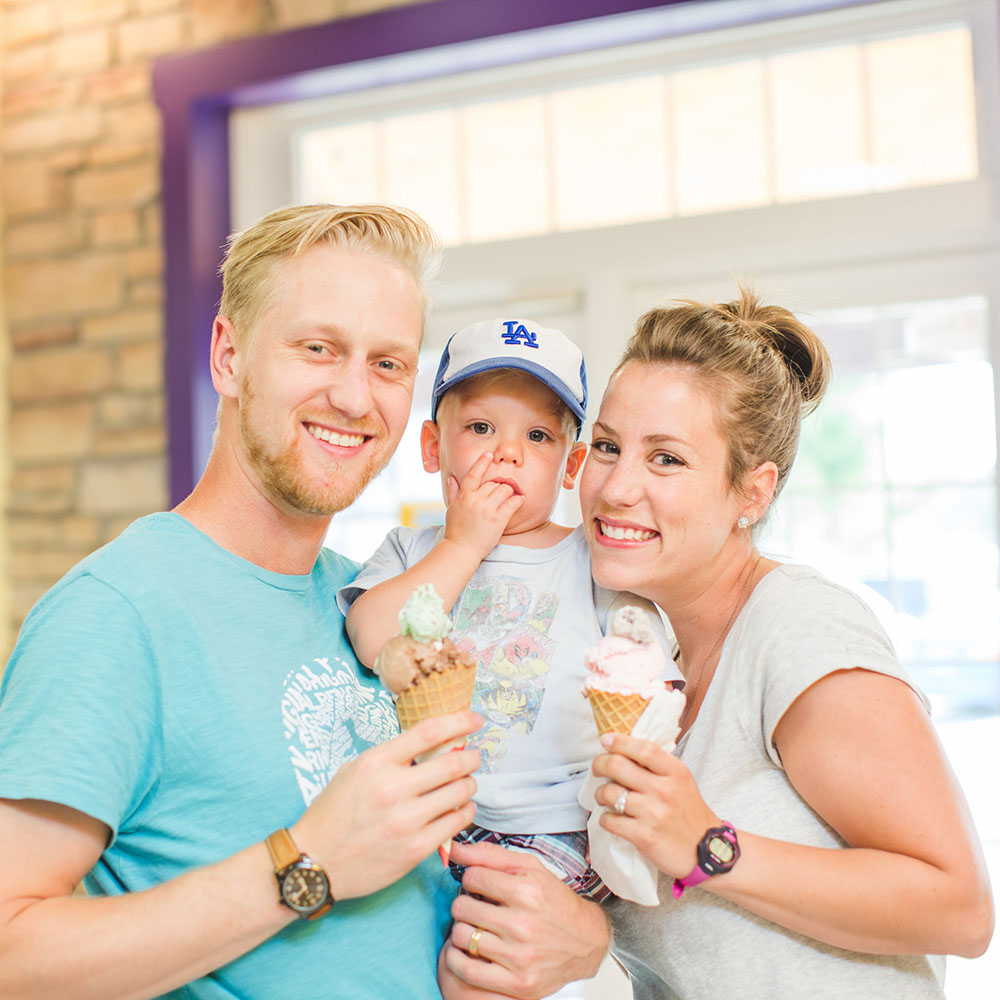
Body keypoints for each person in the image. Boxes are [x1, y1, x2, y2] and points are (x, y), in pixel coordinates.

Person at [0, 203, 486, 1000]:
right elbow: (10, 956)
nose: (357, 398)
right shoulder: (115, 614)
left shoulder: (363, 600)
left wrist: (564, 934)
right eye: (318, 348)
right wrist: (308, 863)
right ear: (229, 357)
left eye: (389, 364)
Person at [575, 287, 995, 997]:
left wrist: (707, 847)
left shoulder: (796, 624)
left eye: (667, 459)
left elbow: (960, 908)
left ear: (753, 492)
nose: (616, 487)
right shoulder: (654, 666)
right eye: (608, 447)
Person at [340, 317, 682, 902]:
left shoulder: (591, 560)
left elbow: (653, 683)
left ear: (572, 467)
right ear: (432, 447)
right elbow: (372, 639)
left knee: (483, 960)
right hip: (431, 818)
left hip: (556, 825)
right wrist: (462, 544)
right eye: (480, 427)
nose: (507, 453)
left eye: (538, 438)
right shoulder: (412, 550)